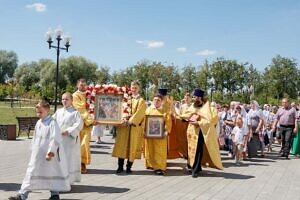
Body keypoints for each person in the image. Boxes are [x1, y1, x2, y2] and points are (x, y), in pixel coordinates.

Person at [9, 100, 70, 200]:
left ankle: (55, 194)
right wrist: (33, 149)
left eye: (40, 112)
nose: (38, 114)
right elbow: (35, 138)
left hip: (49, 156)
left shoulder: (52, 123)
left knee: (51, 173)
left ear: (47, 110)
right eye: (37, 112)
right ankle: (22, 195)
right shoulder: (39, 122)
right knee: (31, 172)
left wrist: (51, 152)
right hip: (37, 155)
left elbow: (55, 138)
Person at [181, 88, 223, 178]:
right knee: (191, 150)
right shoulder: (193, 106)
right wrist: (183, 118)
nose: (193, 98)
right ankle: (194, 166)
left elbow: (211, 121)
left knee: (198, 150)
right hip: (191, 132)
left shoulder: (208, 108)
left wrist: (199, 123)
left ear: (199, 97)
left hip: (200, 132)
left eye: (194, 97)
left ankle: (195, 170)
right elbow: (186, 115)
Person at [112, 80, 146, 173]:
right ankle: (120, 166)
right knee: (122, 145)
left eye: (135, 88)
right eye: (132, 87)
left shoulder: (141, 100)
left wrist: (130, 121)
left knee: (132, 146)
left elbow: (140, 113)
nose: (134, 89)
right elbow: (120, 109)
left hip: (133, 127)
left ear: (139, 89)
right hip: (124, 126)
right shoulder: (126, 98)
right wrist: (122, 119)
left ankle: (128, 167)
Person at [52, 92, 83, 184]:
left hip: (69, 142)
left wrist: (68, 131)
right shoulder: (58, 111)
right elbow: (52, 122)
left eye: (66, 99)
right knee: (58, 160)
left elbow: (79, 125)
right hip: (59, 140)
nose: (64, 101)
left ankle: (67, 182)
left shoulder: (75, 113)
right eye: (63, 99)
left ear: (71, 100)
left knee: (68, 160)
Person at [144, 94, 172, 175]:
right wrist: (144, 131)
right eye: (155, 100)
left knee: (160, 151)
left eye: (158, 100)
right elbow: (144, 121)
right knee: (150, 149)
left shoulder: (165, 111)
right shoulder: (148, 110)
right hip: (149, 135)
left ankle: (159, 167)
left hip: (161, 135)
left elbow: (168, 122)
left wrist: (166, 132)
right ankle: (150, 164)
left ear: (162, 101)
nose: (156, 101)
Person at [72, 79, 95, 173]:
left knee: (85, 144)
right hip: (78, 123)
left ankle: (83, 163)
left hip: (87, 125)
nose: (82, 86)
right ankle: (76, 164)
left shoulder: (90, 94)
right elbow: (80, 108)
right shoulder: (75, 95)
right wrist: (91, 120)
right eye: (81, 85)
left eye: (84, 85)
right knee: (77, 144)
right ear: (77, 85)